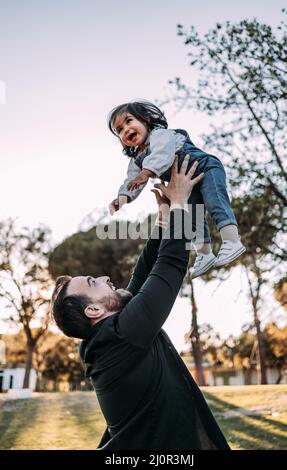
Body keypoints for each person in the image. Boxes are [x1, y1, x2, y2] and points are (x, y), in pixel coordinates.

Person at [51, 156, 230, 450]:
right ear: (94, 310)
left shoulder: (111, 336)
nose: (106, 277)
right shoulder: (121, 337)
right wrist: (181, 202)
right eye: (94, 283)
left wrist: (163, 219)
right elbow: (170, 266)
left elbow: (142, 275)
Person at [108, 100, 246, 278]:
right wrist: (123, 197)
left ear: (146, 120)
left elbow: (162, 154)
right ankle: (204, 254)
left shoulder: (160, 135)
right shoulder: (137, 159)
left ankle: (232, 240)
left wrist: (146, 173)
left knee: (215, 201)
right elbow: (132, 180)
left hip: (206, 168)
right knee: (191, 217)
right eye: (119, 130)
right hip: (186, 184)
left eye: (129, 121)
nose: (125, 129)